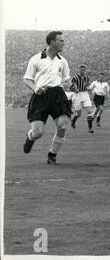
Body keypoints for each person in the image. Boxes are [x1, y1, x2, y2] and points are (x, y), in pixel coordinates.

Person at [23, 31, 72, 164]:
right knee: (38, 132)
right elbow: (27, 79)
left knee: (62, 127)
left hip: (58, 95)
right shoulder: (36, 59)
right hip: (41, 96)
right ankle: (30, 137)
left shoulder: (63, 61)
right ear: (52, 42)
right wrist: (35, 88)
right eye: (61, 40)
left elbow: (66, 80)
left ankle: (52, 155)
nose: (64, 43)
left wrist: (71, 86)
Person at [70, 64, 95, 133]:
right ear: (79, 70)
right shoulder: (75, 78)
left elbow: (87, 85)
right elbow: (71, 87)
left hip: (85, 94)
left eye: (84, 70)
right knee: (78, 114)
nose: (83, 72)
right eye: (81, 70)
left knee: (89, 110)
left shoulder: (87, 78)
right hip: (77, 95)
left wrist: (89, 88)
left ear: (85, 71)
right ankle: (73, 120)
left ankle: (90, 128)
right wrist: (75, 89)